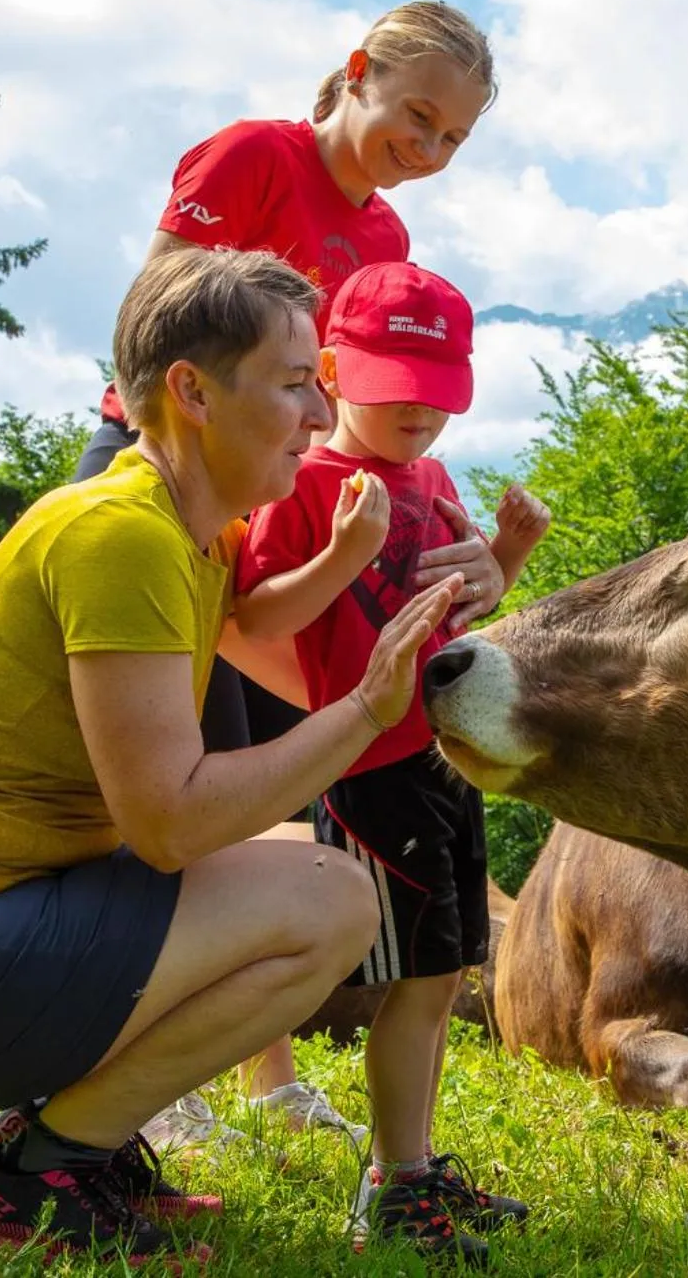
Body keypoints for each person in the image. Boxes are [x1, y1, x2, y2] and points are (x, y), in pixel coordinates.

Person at [0, 248, 460, 1266]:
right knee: (331, 895)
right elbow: (171, 825)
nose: (322, 421)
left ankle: (58, 1150)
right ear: (192, 391)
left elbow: (242, 728)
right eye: (295, 387)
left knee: (304, 863)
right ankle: (35, 1179)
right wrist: (367, 711)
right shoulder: (121, 537)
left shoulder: (189, 534)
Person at [74, 1, 510, 1146]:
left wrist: (424, 533)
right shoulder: (253, 158)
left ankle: (262, 1071)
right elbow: (154, 323)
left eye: (452, 141)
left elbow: (347, 415)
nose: (427, 152)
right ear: (356, 73)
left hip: (292, 520)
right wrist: (174, 489)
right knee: (168, 772)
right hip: (163, 476)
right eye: (416, 116)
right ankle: (143, 1069)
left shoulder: (388, 251)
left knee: (268, 771)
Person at [234, 262, 550, 1265]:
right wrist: (338, 554)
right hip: (367, 763)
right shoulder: (307, 483)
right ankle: (393, 1185)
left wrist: (506, 558)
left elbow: (457, 617)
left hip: (443, 753)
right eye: (389, 380)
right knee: (412, 977)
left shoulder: (433, 480)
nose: (415, 407)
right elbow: (253, 616)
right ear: (330, 369)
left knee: (443, 970)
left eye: (435, 387)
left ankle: (407, 1170)